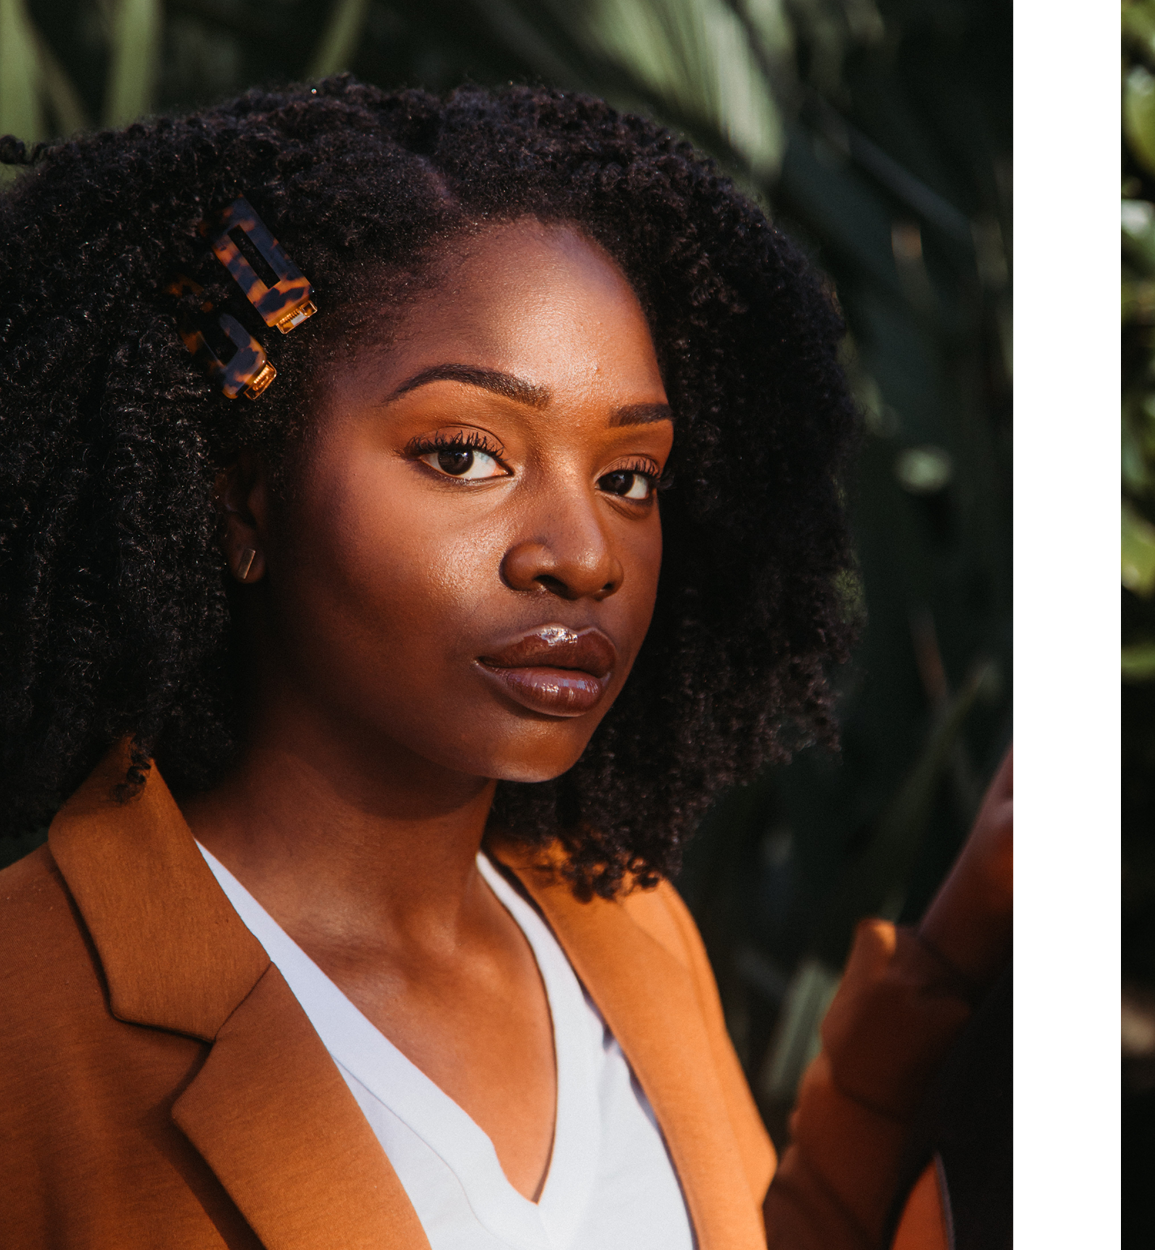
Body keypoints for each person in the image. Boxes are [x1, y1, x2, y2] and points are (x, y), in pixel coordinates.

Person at [0, 82, 1007, 1250]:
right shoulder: (31, 1015)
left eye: (630, 477)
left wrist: (955, 947)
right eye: (465, 454)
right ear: (244, 494)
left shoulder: (623, 931)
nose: (584, 555)